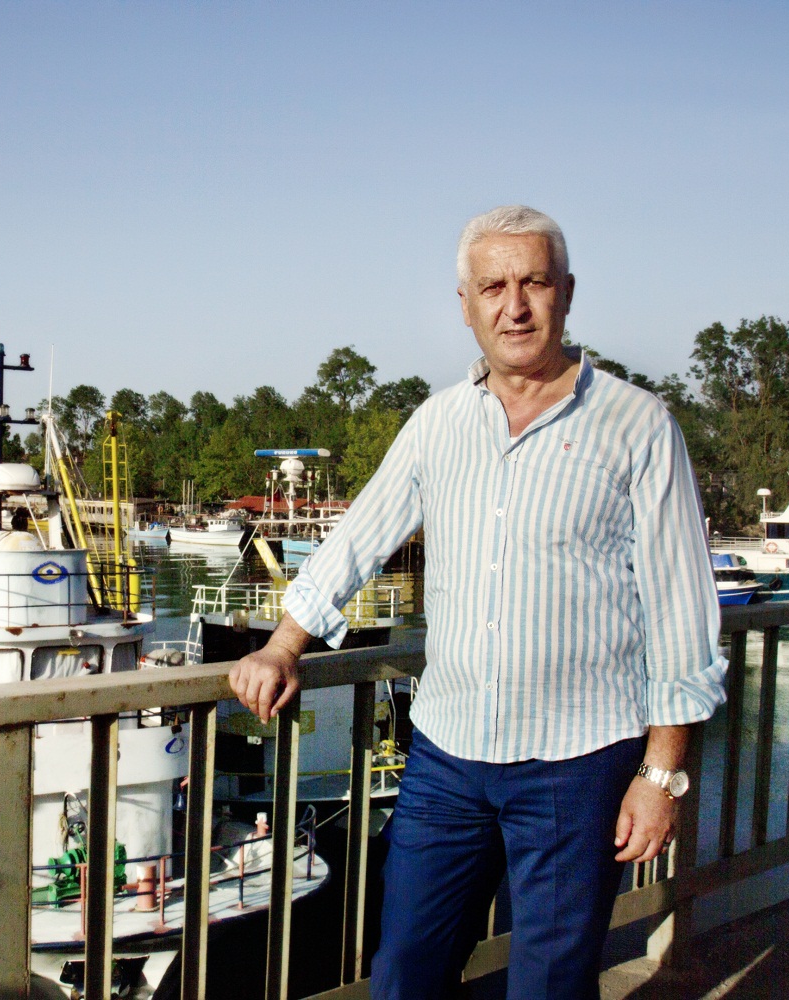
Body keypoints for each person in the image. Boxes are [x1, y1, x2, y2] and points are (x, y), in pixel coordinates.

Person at [229, 205, 725, 999]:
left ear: (567, 293)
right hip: (447, 760)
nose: (514, 306)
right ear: (465, 304)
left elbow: (680, 613)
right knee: (405, 971)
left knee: (551, 982)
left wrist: (660, 776)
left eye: (534, 283)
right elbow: (358, 538)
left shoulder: (638, 425)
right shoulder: (438, 423)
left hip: (578, 761)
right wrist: (284, 644)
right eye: (493, 287)